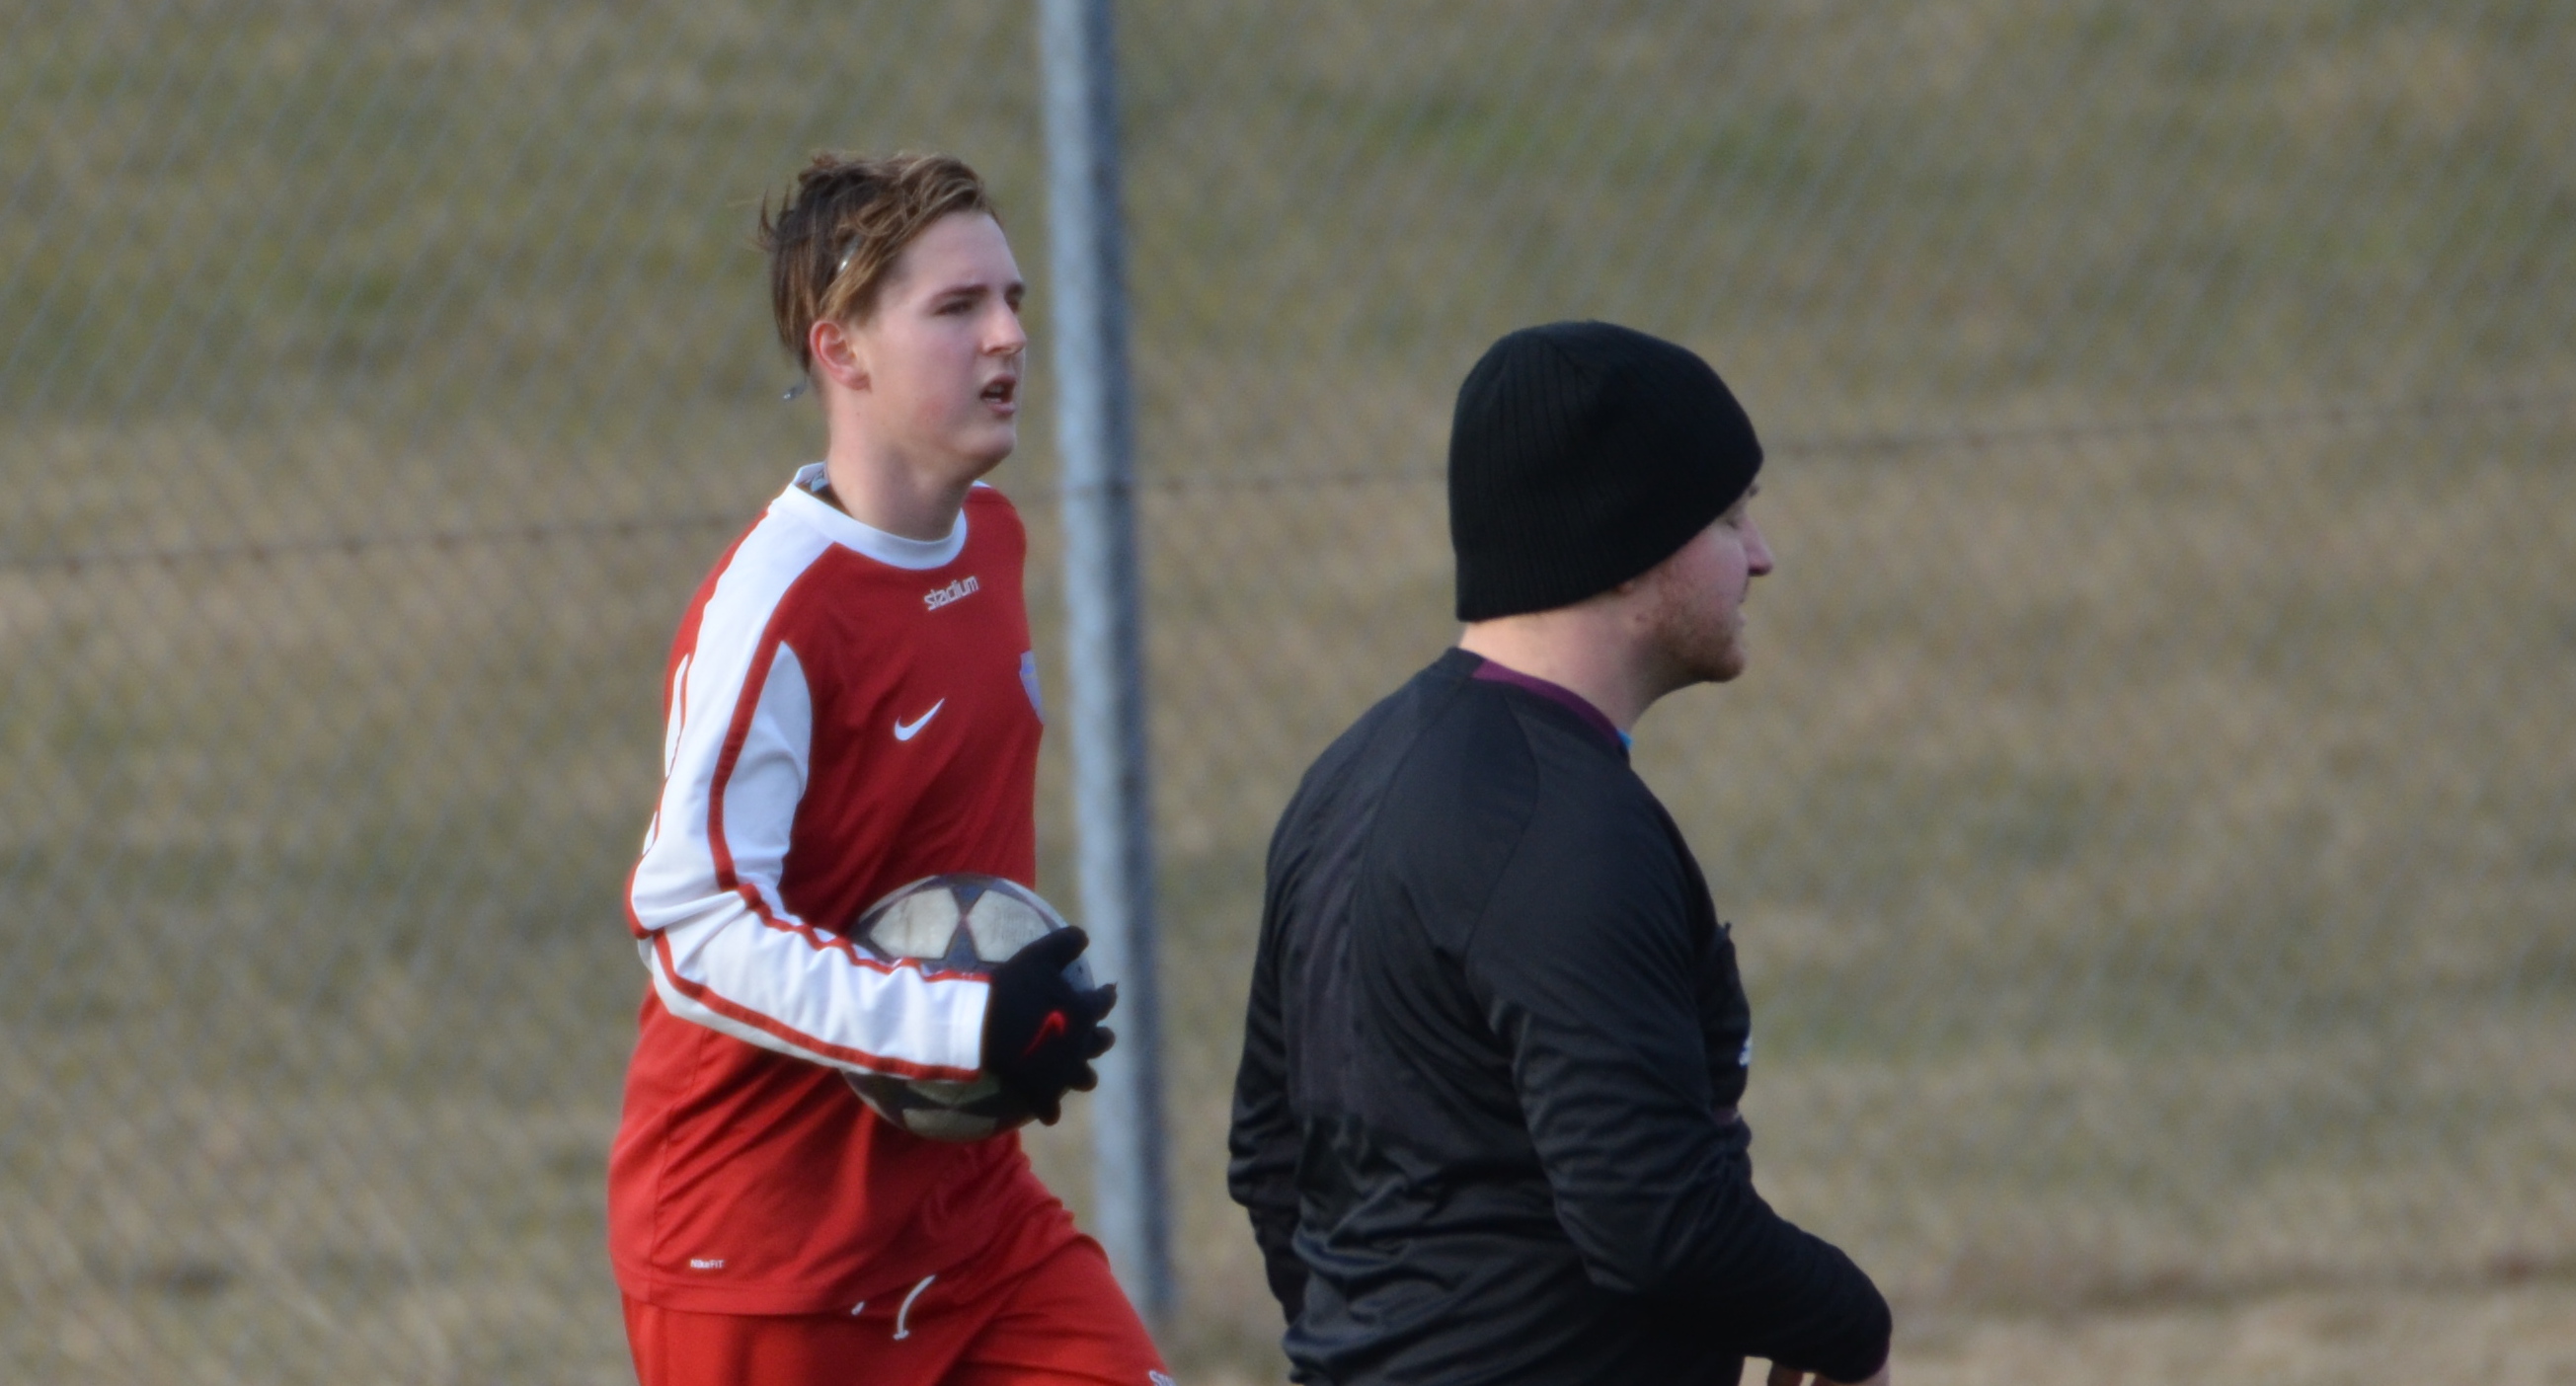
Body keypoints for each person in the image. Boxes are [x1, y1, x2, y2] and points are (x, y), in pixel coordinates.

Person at [1228, 321, 1894, 1386]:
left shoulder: (1345, 777)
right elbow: (1650, 1212)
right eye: (1728, 516)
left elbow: (1274, 1162)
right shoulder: (1561, 828)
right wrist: (1844, 1323)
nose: (1760, 555)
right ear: (1628, 543)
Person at [610, 151, 1169, 1386]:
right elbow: (691, 924)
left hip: (969, 1226)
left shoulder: (994, 540)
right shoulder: (777, 609)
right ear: (841, 351)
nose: (1009, 336)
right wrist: (963, 1019)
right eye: (957, 308)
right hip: (762, 1260)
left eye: (1012, 300)